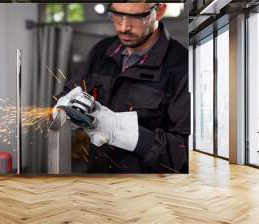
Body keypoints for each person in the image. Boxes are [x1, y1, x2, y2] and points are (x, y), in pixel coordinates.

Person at [53, 3, 190, 173]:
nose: (124, 27)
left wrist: (123, 132)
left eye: (136, 17)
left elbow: (185, 153)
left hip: (148, 191)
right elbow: (70, 90)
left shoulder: (183, 67)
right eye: (117, 15)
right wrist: (66, 103)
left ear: (160, 11)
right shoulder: (101, 51)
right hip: (98, 180)